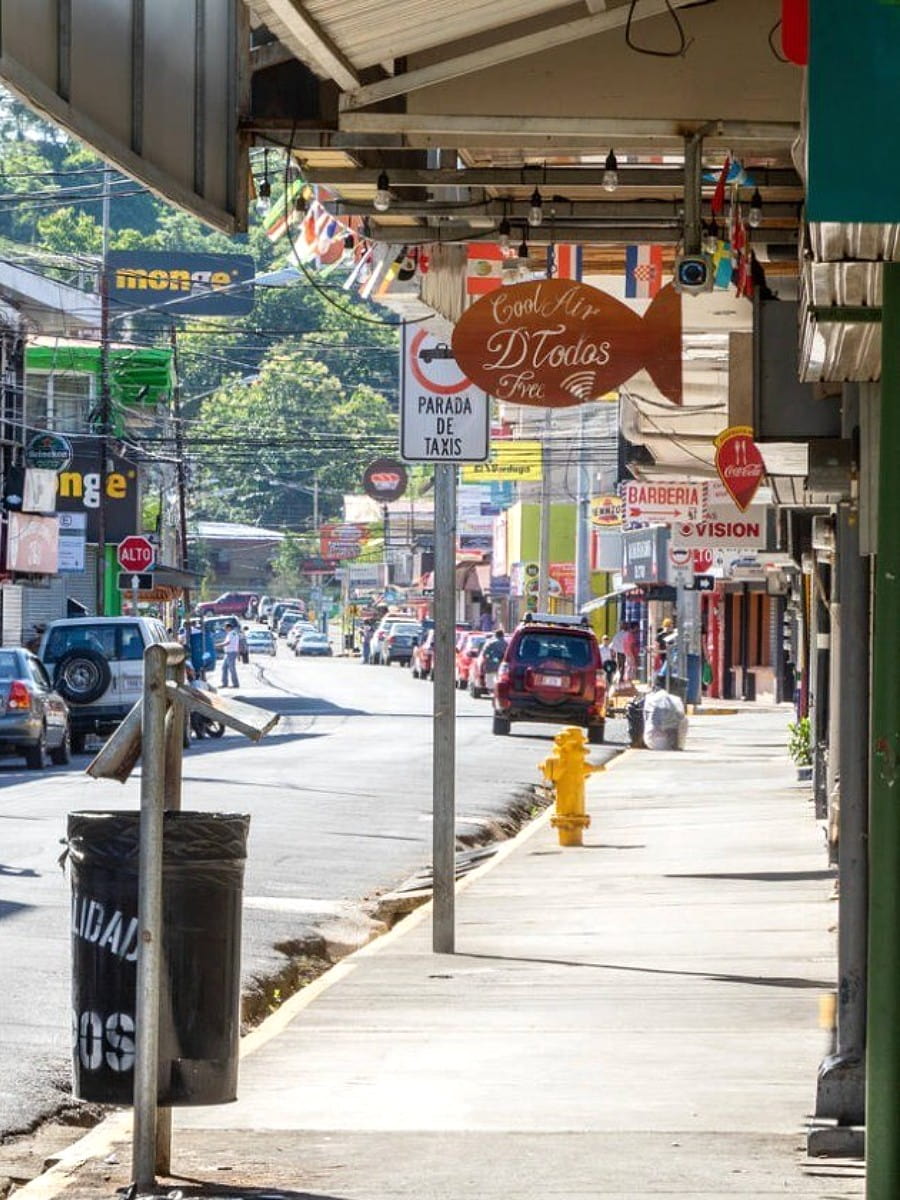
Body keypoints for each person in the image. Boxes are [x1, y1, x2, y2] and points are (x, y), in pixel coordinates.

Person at [221, 620, 241, 688]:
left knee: (232, 669)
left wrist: (217, 645)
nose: (225, 629)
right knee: (224, 668)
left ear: (228, 628)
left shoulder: (232, 634)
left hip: (231, 653)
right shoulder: (232, 633)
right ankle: (224, 683)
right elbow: (237, 644)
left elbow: (228, 643)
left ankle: (235, 684)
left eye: (225, 628)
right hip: (228, 653)